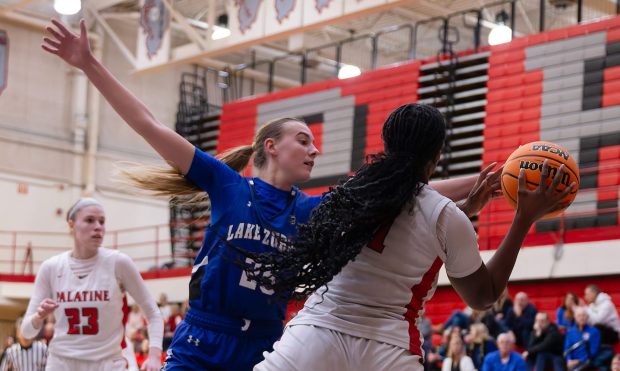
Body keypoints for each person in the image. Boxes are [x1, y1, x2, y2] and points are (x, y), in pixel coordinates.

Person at [41, 19, 483, 371]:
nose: (315, 150)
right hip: (203, 340)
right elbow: (148, 124)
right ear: (270, 146)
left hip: (267, 344)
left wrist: (487, 180)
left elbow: (403, 191)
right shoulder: (225, 183)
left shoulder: (310, 209)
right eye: (305, 140)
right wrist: (89, 65)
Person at [242, 103, 573, 370]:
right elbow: (483, 296)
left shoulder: (353, 192)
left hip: (315, 336)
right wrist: (523, 218)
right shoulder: (445, 216)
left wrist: (467, 207)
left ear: (387, 145)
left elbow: (403, 213)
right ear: (437, 156)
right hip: (386, 347)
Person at [20, 198, 164, 371]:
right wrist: (38, 317)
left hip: (107, 362)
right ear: (71, 225)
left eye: (102, 222)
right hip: (61, 362)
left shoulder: (119, 262)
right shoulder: (51, 267)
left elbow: (153, 312)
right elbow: (26, 332)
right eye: (90, 220)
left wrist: (155, 356)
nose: (98, 226)